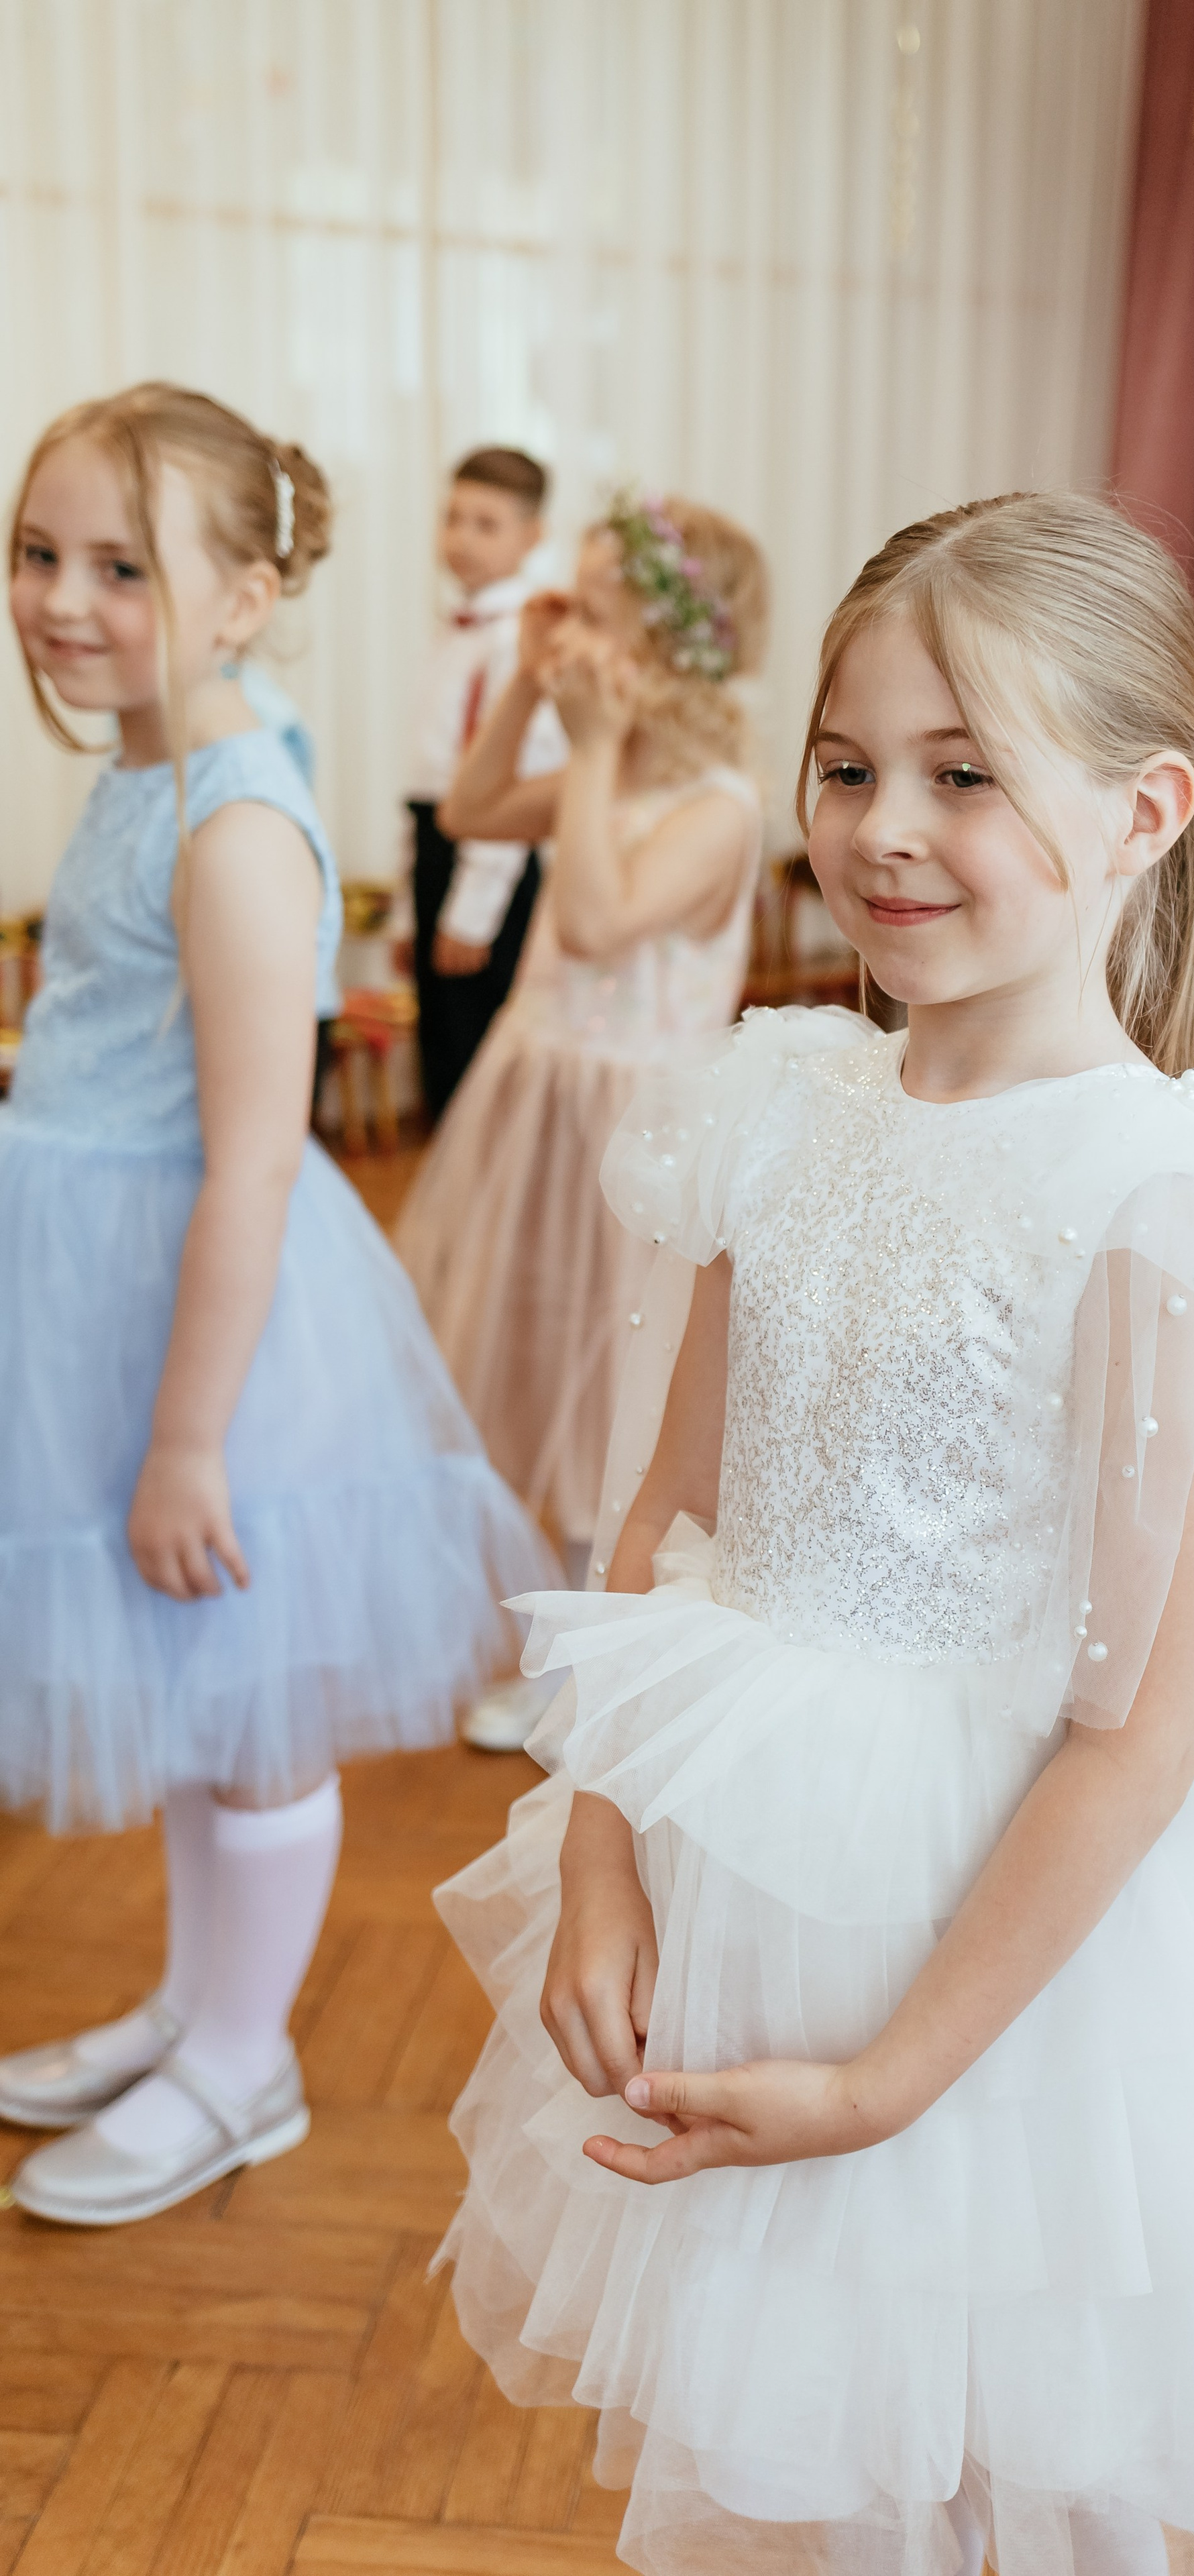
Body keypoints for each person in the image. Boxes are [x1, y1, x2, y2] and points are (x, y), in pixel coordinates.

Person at [431, 494, 1194, 2576]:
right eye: (850, 764)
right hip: (750, 1866)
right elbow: (649, 1521)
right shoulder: (772, 1100)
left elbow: (1135, 1734)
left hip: (1027, 1969)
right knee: (815, 2450)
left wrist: (883, 2078)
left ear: (1143, 811)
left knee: (1021, 2469)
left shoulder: (1164, 1193)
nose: (884, 825)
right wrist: (597, 1840)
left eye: (964, 775)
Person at [0, 383, 555, 2225]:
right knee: (193, 1692)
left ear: (241, 597)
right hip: (100, 1293)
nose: (63, 601)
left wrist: (185, 1438)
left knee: (254, 1707)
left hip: (213, 1328)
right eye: (38, 553)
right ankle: (193, 2003)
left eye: (120, 567)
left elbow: (254, 1154)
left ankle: (248, 2067)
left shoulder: (233, 821)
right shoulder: (147, 760)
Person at [394, 493, 767, 1751]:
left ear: (671, 646)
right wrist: (523, 689)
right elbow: (466, 813)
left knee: (621, 1383)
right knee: (539, 1358)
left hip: (638, 1130)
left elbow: (603, 923)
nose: (577, 639)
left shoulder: (713, 802)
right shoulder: (607, 764)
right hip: (539, 1093)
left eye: (597, 617)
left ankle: (592, 1651)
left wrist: (593, 747)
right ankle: (552, 1622)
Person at [393, 445, 562, 1122]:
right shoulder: (455, 627)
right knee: (441, 1053)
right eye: (453, 518)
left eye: (485, 523)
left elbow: (516, 783)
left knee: (477, 1069)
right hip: (439, 848)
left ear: (532, 536)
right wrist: (416, 910)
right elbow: (428, 783)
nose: (460, 538)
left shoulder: (520, 638)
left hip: (490, 864)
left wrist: (469, 913)